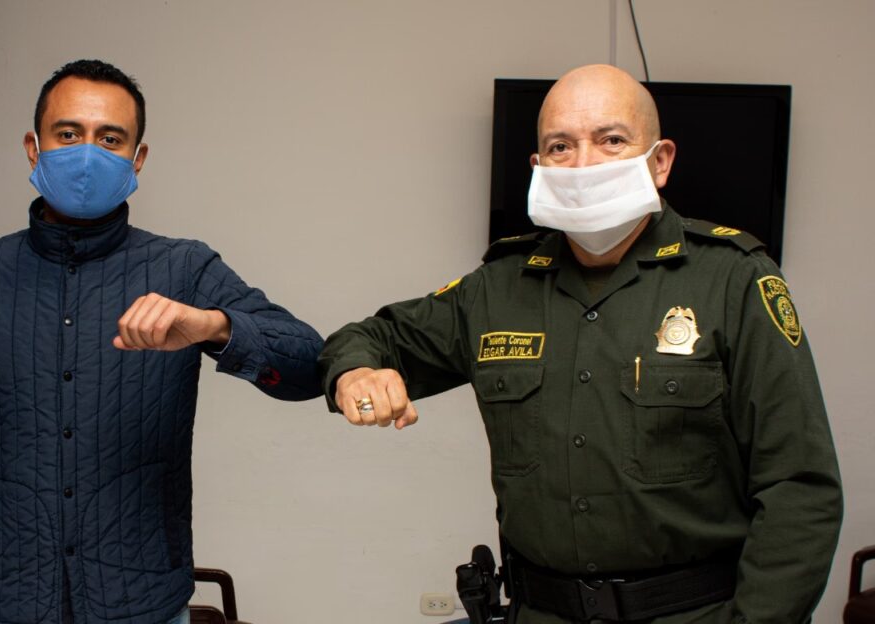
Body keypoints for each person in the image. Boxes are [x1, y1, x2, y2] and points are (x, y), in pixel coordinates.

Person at [319, 64, 842, 623]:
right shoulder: (497, 287)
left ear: (660, 161)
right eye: (561, 147)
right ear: (539, 168)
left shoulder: (733, 280)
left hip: (693, 612)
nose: (584, 164)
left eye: (611, 140)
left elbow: (800, 487)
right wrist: (356, 372)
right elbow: (369, 338)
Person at [0, 59, 323, 624]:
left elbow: (309, 365)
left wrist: (216, 327)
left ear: (137, 158)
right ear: (34, 147)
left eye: (110, 138)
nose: (87, 154)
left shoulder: (184, 268)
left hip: (144, 604)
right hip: (6, 603)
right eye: (68, 134)